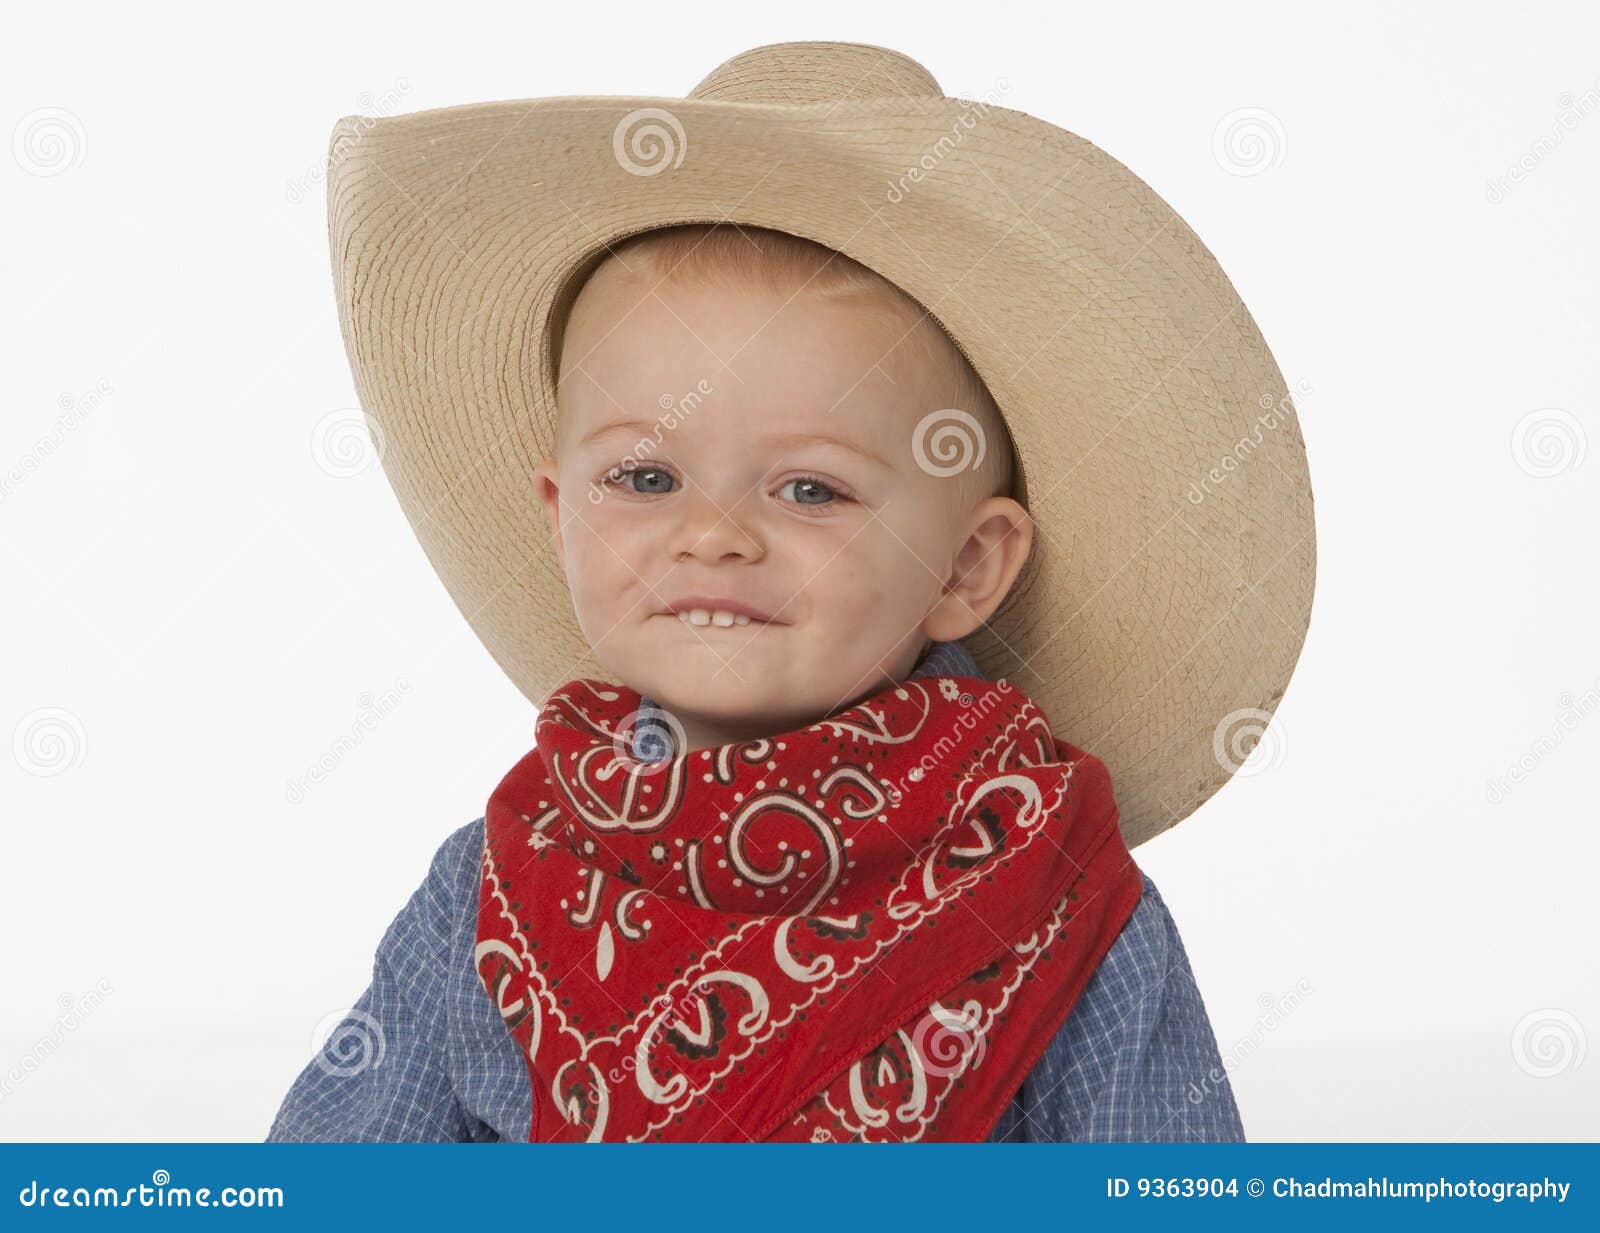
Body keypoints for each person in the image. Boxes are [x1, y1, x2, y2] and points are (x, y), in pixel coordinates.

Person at [268, 40, 1314, 1143]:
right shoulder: (499, 884)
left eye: (810, 489)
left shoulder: (1052, 897)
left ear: (965, 567)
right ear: (560, 512)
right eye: (644, 478)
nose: (713, 533)